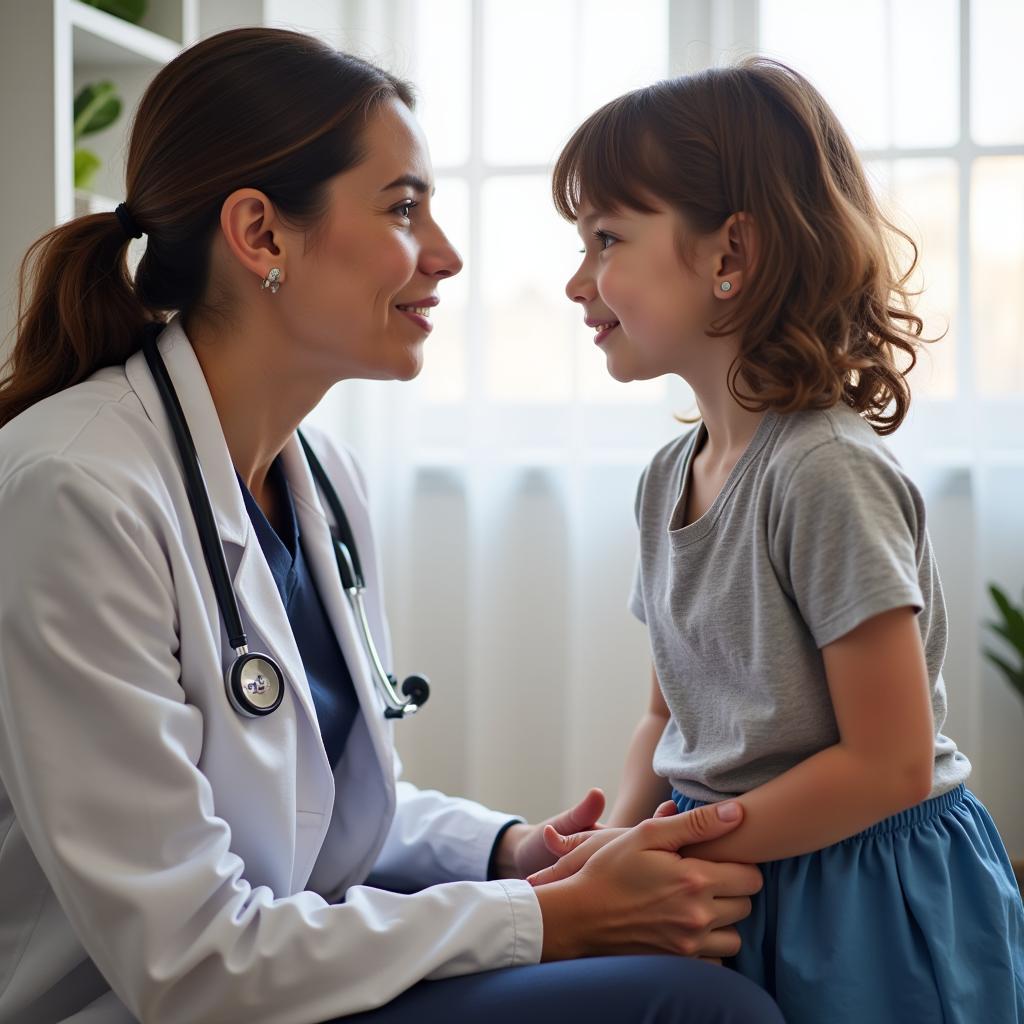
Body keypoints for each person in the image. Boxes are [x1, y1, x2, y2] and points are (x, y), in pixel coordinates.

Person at [0, 28, 786, 1024]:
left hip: (282, 964)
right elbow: (188, 957)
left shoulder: (321, 479)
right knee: (693, 1006)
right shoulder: (77, 490)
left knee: (708, 975)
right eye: (404, 207)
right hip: (167, 1000)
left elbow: (325, 820)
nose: (447, 255)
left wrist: (512, 851)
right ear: (261, 235)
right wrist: (547, 917)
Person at [526, 57, 1024, 1023]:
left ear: (731, 254)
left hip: (865, 890)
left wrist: (673, 848)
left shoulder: (822, 472)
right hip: (739, 868)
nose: (577, 280)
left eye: (605, 240)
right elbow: (666, 720)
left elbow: (890, 765)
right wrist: (606, 856)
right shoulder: (663, 482)